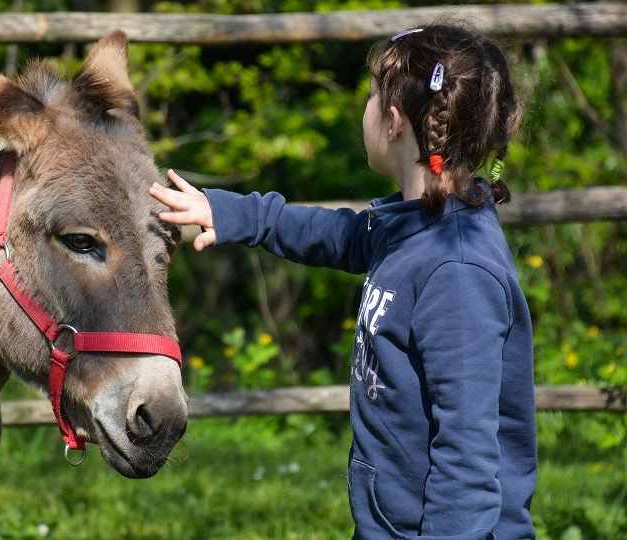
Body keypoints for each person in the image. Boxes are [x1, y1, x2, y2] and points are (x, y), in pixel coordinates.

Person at [150, 23, 536, 539]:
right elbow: (337, 234)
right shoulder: (413, 223)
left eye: (372, 97)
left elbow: (466, 461)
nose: (367, 110)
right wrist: (233, 213)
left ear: (395, 122)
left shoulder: (457, 271)